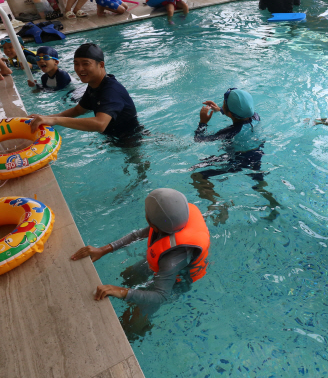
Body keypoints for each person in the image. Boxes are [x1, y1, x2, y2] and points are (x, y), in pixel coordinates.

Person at [71, 188, 210, 316]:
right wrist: (103, 250)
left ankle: (139, 326)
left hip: (176, 281)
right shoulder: (171, 223)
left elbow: (161, 295)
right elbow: (136, 235)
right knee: (128, 275)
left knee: (134, 316)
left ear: (151, 221)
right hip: (164, 262)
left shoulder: (171, 261)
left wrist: (120, 291)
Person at [192, 88, 279, 224]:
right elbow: (240, 114)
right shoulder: (256, 116)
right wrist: (220, 109)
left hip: (238, 160)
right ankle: (273, 203)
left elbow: (199, 140)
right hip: (257, 154)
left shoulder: (230, 132)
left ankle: (218, 203)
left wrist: (203, 122)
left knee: (196, 174)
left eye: (224, 104)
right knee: (258, 183)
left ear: (230, 113)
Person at [28, 43, 140, 137]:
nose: (80, 69)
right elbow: (77, 110)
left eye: (86, 64)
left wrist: (55, 120)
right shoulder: (94, 85)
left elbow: (100, 124)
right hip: (112, 135)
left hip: (130, 138)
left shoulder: (111, 90)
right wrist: (45, 118)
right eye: (76, 64)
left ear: (101, 65)